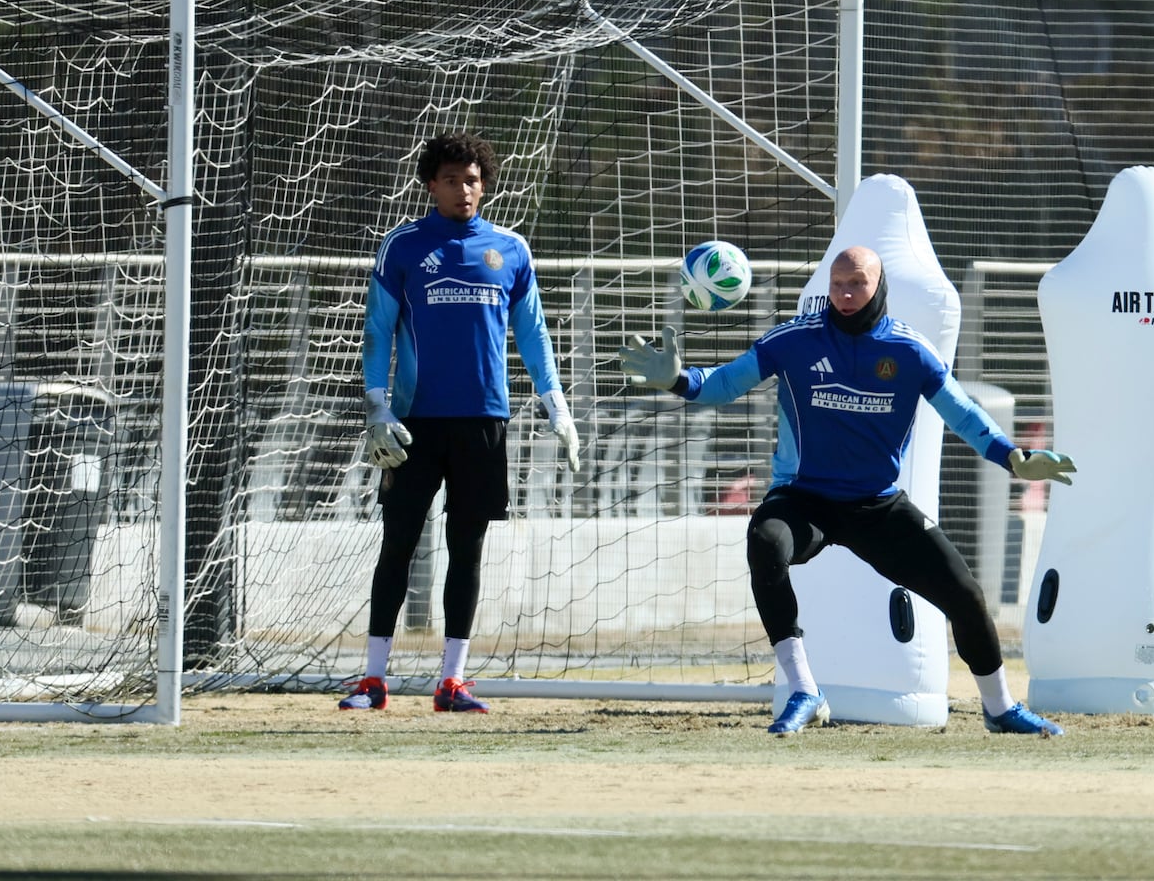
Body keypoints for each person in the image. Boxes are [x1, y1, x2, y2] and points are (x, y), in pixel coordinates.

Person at [618, 246, 1075, 736]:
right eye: (837, 284)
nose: (845, 294)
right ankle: (802, 690)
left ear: (879, 287)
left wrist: (1012, 457)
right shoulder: (794, 340)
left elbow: (961, 411)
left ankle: (1001, 708)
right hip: (803, 498)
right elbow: (725, 384)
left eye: (856, 283)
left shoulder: (909, 350)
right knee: (765, 541)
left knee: (964, 593)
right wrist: (679, 381)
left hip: (877, 504)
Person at [340, 131, 580, 715]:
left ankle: (452, 681)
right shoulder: (403, 246)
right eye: (451, 179)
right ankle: (373, 680)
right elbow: (376, 330)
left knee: (466, 550)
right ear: (431, 184)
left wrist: (558, 407)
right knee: (396, 545)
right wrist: (376, 404)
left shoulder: (511, 251)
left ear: (484, 184)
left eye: (471, 179)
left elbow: (534, 334)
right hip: (413, 425)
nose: (462, 189)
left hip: (483, 424)